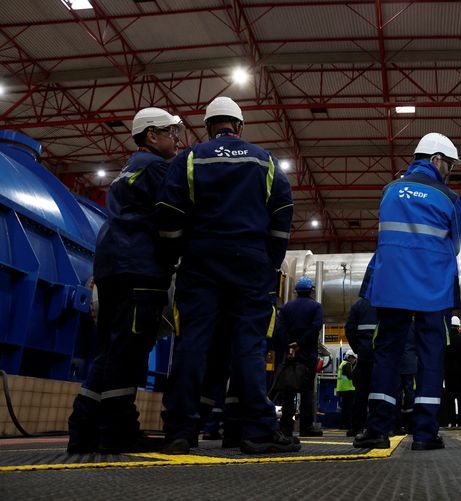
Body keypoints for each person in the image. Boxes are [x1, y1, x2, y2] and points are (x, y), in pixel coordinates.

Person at [156, 96, 298, 454]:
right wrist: (269, 261)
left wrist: (178, 253)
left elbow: (169, 213)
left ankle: (180, 432)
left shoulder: (190, 158)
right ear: (239, 127)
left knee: (192, 343)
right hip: (251, 265)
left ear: (207, 127)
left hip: (200, 261)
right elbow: (283, 212)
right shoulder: (264, 160)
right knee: (248, 346)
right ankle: (255, 432)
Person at [68, 108, 183, 454]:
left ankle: (83, 428)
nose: (177, 140)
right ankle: (118, 430)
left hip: (111, 268)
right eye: (170, 133)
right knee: (128, 352)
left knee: (109, 351)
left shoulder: (128, 170)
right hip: (140, 269)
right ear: (151, 136)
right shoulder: (158, 169)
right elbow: (174, 213)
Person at [353, 132, 461, 451]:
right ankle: (425, 434)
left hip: (392, 285)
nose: (449, 171)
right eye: (449, 165)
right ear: (437, 160)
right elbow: (455, 245)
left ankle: (377, 429)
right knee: (430, 356)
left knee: (387, 354)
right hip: (432, 288)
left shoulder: (389, 191)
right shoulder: (449, 198)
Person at [276, 277, 324, 438]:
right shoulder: (316, 307)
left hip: (290, 353)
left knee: (288, 389)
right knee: (307, 390)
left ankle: (285, 427)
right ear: (311, 290)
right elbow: (316, 327)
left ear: (296, 291)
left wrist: (289, 345)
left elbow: (280, 328)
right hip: (307, 353)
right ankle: (306, 427)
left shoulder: (286, 307)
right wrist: (301, 344)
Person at [344, 296, 378, 436]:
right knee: (381, 390)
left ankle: (357, 426)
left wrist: (357, 348)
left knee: (361, 392)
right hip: (381, 352)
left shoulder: (358, 304)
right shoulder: (385, 300)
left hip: (364, 352)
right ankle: (381, 426)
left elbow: (349, 329)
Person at [442, 316, 461, 426]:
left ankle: (451, 420)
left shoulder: (446, 338)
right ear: (458, 326)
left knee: (449, 397)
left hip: (448, 373)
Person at [337, 350, 357, 431]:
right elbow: (350, 376)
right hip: (348, 389)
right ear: (349, 357)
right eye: (353, 358)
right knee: (349, 409)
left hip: (343, 389)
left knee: (345, 408)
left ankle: (342, 425)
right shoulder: (347, 364)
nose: (353, 360)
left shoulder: (342, 364)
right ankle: (348, 425)